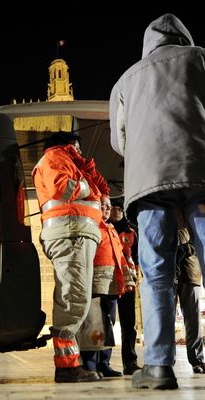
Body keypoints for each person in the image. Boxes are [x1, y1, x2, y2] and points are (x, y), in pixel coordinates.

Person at [109, 13, 205, 390]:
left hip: (150, 185)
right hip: (200, 173)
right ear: (183, 38)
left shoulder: (126, 79)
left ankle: (159, 366)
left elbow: (120, 141)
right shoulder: (200, 58)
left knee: (157, 272)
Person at [32, 132, 104, 383]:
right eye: (78, 149)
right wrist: (88, 188)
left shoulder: (64, 160)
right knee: (73, 297)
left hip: (76, 234)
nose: (81, 154)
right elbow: (63, 187)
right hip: (70, 234)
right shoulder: (55, 156)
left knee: (77, 297)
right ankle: (66, 367)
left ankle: (71, 364)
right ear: (69, 145)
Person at [80, 196, 135, 378]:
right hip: (96, 283)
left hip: (112, 284)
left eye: (108, 206)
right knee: (94, 324)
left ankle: (104, 363)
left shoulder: (111, 229)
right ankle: (90, 365)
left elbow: (121, 258)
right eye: (103, 205)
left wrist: (126, 280)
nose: (106, 208)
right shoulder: (91, 226)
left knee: (108, 324)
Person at [109, 197, 141, 375]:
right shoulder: (103, 228)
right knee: (107, 322)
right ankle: (102, 362)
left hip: (128, 283)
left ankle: (130, 362)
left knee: (129, 324)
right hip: (108, 282)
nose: (116, 211)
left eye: (119, 208)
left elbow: (136, 257)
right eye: (112, 207)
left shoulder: (131, 232)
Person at [175, 226, 205, 374]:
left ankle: (197, 359)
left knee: (193, 320)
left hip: (190, 273)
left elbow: (201, 240)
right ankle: (165, 362)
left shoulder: (192, 216)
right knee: (164, 320)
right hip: (168, 275)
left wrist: (186, 248)